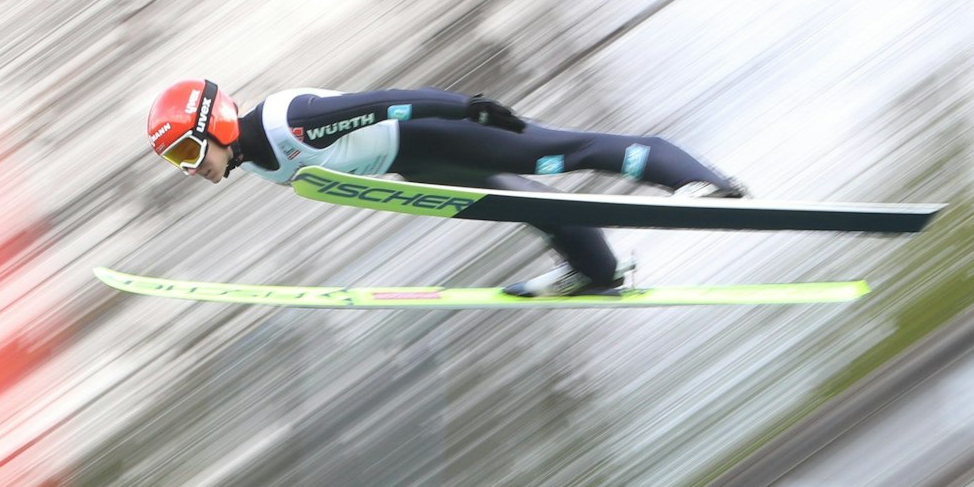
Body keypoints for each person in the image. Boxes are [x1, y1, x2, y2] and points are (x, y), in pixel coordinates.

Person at [144, 78, 746, 296]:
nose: (190, 167)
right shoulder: (249, 156)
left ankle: (701, 183)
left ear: (215, 126)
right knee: (526, 207)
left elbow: (387, 102)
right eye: (177, 160)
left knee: (559, 153)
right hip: (413, 166)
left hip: (433, 135)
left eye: (189, 150)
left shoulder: (286, 121)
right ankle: (598, 271)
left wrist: (470, 110)